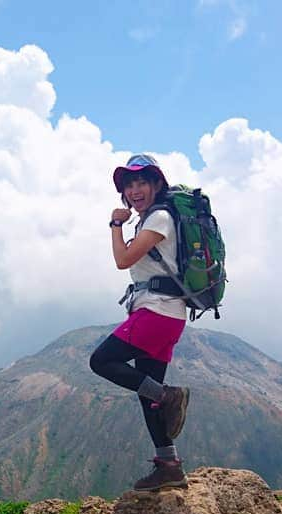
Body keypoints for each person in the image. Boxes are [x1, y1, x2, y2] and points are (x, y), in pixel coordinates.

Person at [89, 153, 191, 491]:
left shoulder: (159, 218)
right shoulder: (150, 220)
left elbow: (123, 260)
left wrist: (116, 225)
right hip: (165, 313)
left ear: (156, 184)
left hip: (157, 312)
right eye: (129, 184)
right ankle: (169, 465)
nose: (135, 189)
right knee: (149, 396)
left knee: (102, 360)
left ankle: (169, 395)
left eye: (142, 182)